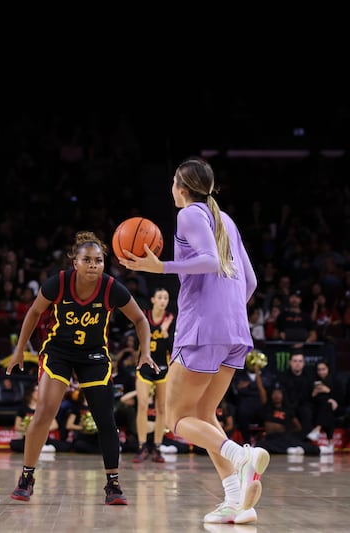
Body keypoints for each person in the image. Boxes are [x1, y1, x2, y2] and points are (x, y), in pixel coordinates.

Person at [119, 156, 267, 525]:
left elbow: (209, 260)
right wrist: (226, 310)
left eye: (172, 182)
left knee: (175, 419)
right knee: (203, 415)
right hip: (235, 328)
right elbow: (249, 283)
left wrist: (161, 267)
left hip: (202, 329)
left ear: (181, 188)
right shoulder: (226, 219)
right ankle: (236, 501)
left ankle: (240, 454)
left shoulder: (189, 214)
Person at [7, 230, 156, 505]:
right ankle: (27, 476)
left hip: (94, 355)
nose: (93, 265)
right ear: (74, 262)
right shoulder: (59, 283)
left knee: (105, 419)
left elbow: (141, 320)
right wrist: (19, 351)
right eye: (87, 260)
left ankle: (113, 483)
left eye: (98, 261)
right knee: (44, 412)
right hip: (58, 352)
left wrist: (144, 351)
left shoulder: (111, 287)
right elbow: (34, 312)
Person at [133, 287, 174, 463]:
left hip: (163, 368)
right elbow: (137, 341)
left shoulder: (171, 319)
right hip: (144, 366)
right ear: (153, 300)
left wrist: (165, 333)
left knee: (162, 408)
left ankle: (157, 447)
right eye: (160, 297)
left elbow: (174, 347)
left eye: (166, 297)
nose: (163, 300)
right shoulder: (144, 316)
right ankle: (142, 446)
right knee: (142, 405)